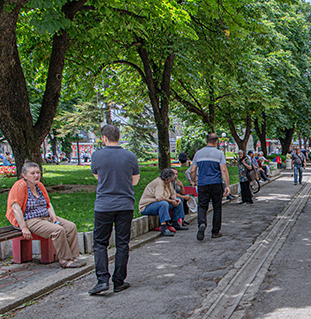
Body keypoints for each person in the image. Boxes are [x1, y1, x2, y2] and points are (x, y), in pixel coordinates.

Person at [89, 124, 140, 295]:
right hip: (125, 204)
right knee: (122, 243)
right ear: (119, 137)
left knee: (100, 244)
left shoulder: (97, 156)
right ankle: (119, 281)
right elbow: (135, 181)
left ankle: (102, 280)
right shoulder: (130, 156)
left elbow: (97, 177)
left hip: (103, 205)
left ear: (104, 138)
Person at [6, 162, 84, 269]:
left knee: (71, 226)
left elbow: (48, 204)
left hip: (44, 217)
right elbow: (16, 208)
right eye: (32, 173)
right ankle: (64, 260)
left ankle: (73, 257)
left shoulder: (39, 186)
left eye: (38, 172)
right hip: (29, 219)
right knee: (58, 230)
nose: (36, 175)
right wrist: (23, 227)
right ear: (24, 175)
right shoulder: (20, 186)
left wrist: (54, 217)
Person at [190, 133, 230, 241]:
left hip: (203, 184)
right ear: (216, 141)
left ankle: (202, 224)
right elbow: (224, 170)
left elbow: (192, 170)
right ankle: (215, 231)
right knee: (217, 207)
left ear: (206, 140)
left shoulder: (198, 154)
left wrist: (194, 181)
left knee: (202, 206)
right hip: (216, 183)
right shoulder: (219, 154)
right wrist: (227, 185)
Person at [138, 168, 189, 237]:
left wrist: (175, 199)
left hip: (157, 204)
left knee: (178, 201)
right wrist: (171, 201)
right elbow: (159, 198)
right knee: (163, 203)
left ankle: (175, 222)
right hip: (147, 206)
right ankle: (164, 228)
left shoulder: (167, 183)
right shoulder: (159, 183)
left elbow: (173, 193)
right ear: (168, 179)